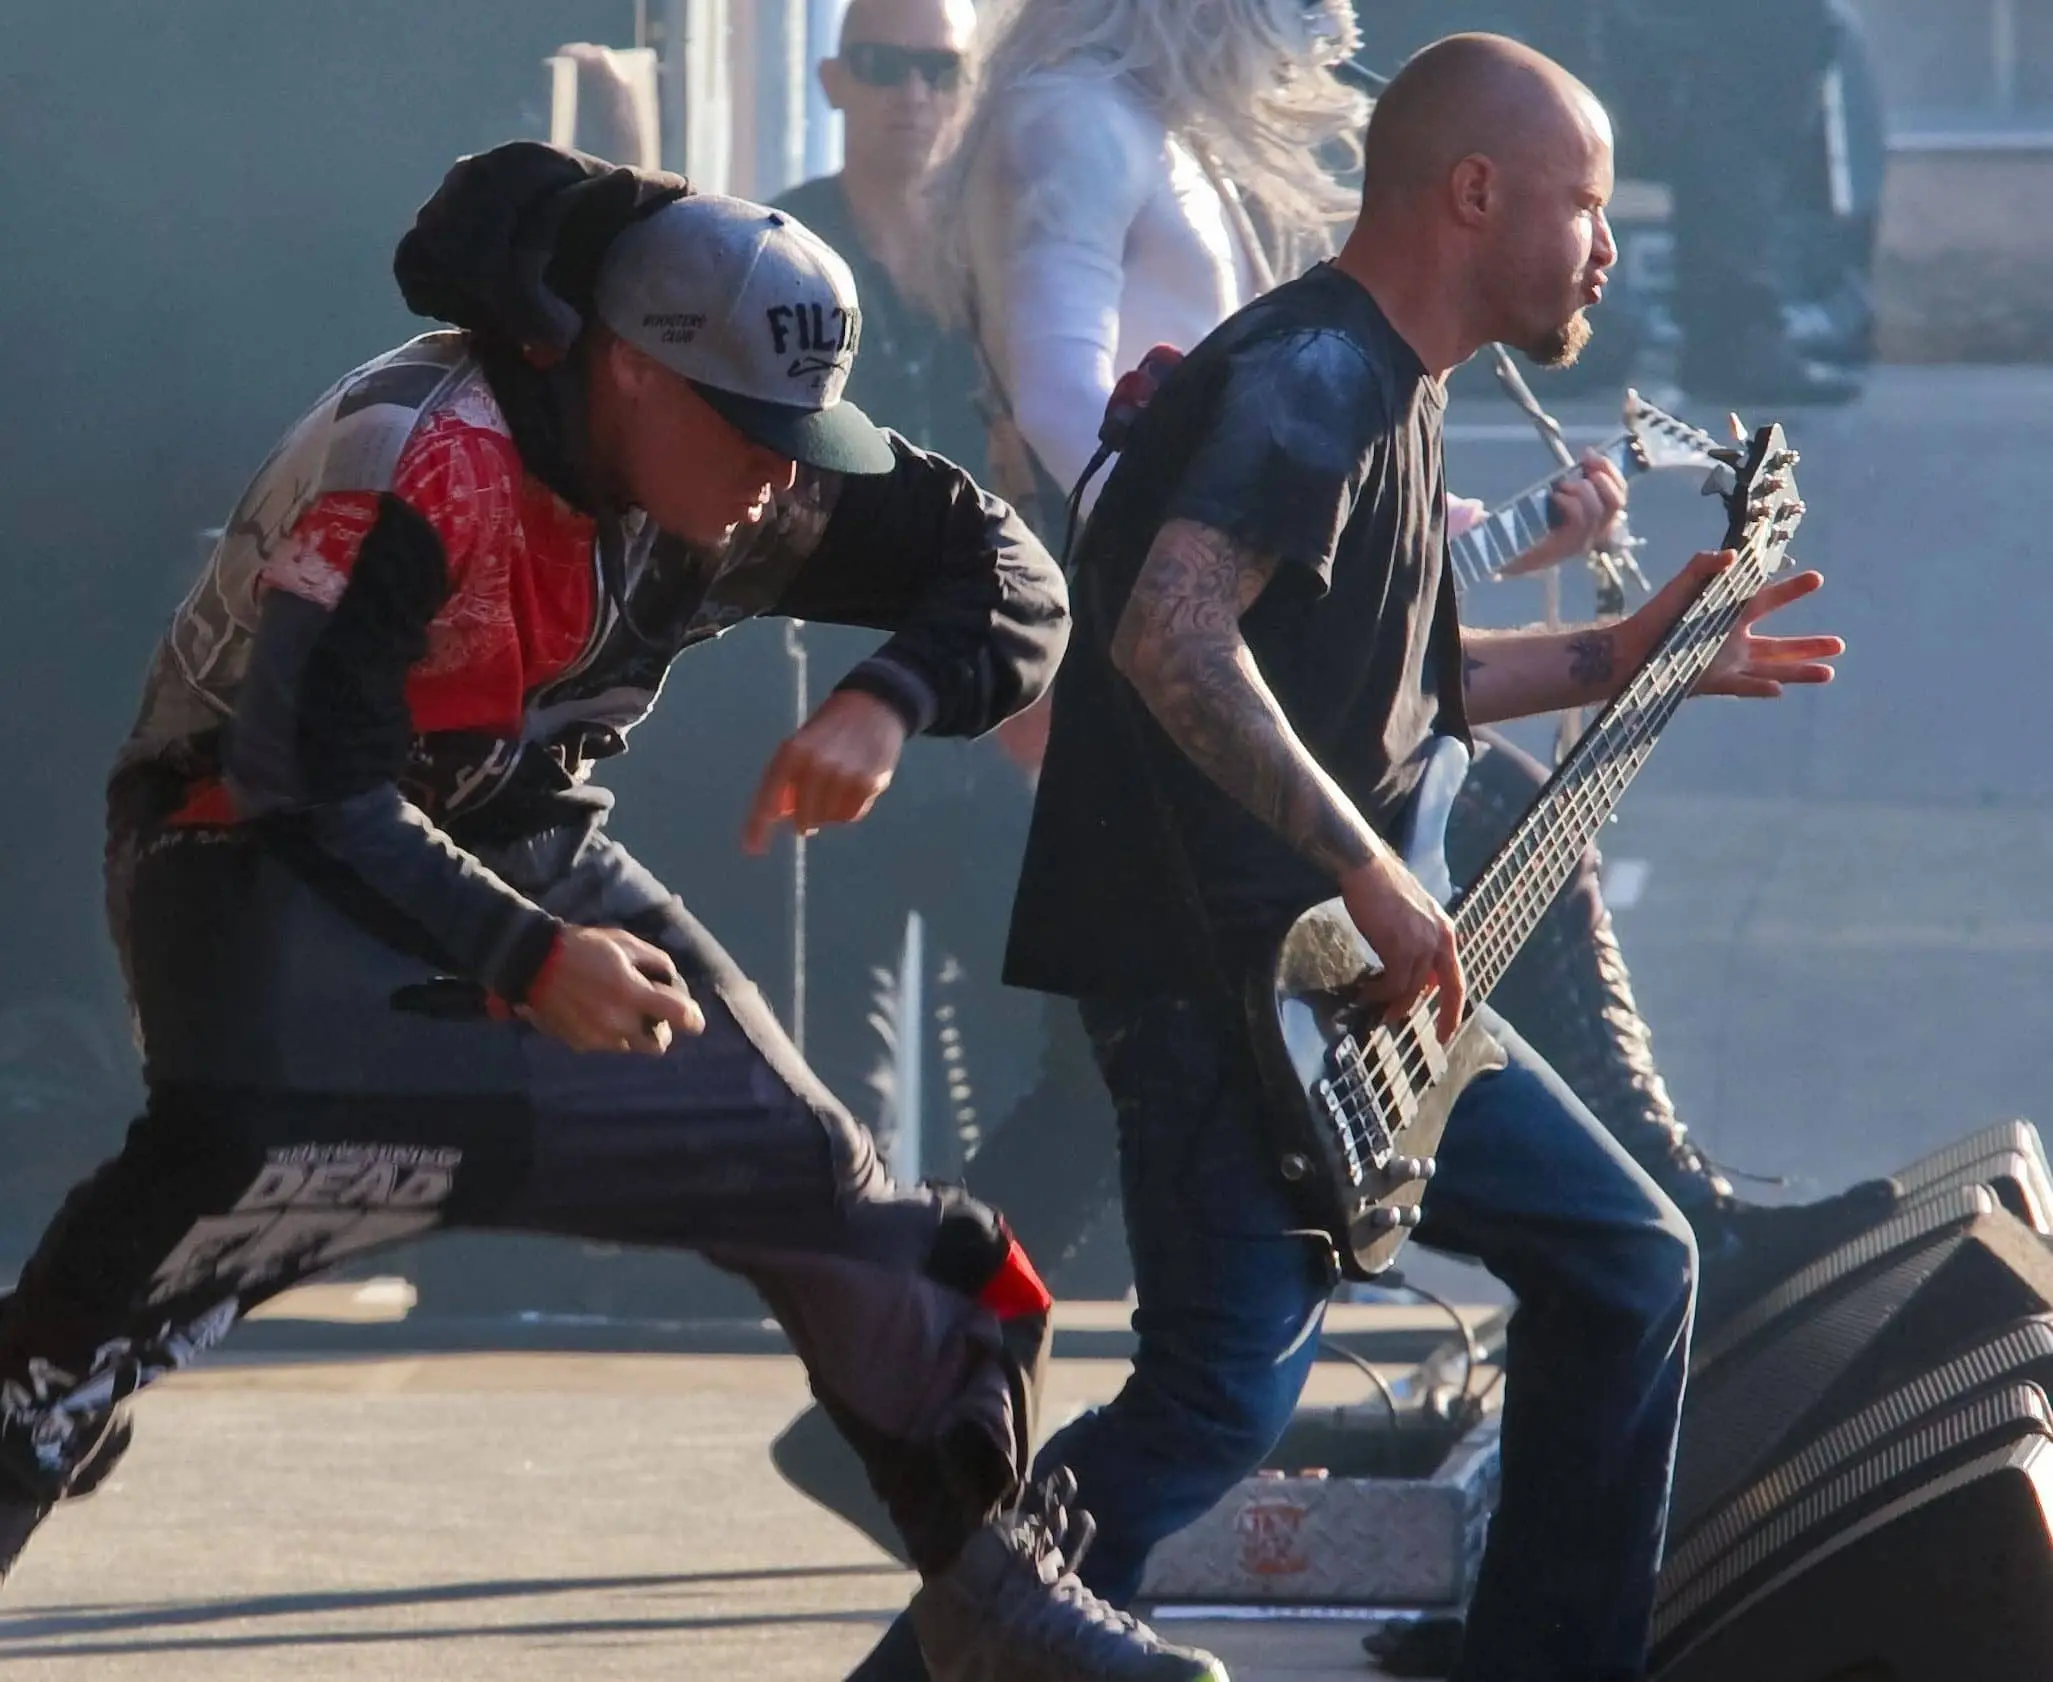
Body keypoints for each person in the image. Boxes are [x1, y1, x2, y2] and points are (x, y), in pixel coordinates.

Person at [0, 140, 1229, 1682]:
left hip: (517, 836)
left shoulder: (748, 481)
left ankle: (988, 1599)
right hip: (244, 855)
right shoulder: (415, 461)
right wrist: (526, 958)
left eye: (804, 438)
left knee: (843, 1206)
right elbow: (306, 781)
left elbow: (1012, 566)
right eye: (755, 433)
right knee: (196, 1195)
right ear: (634, 375)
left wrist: (890, 694)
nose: (785, 476)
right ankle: (56, 1354)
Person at [874, 34, 1849, 1682]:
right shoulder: (1307, 377)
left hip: (1334, 985)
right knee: (1211, 1398)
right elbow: (1167, 635)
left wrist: (1622, 648)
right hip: (1225, 984)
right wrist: (1371, 869)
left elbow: (1408, 686)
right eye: (1586, 205)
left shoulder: (1386, 384)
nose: (1609, 246)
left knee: (1622, 1262)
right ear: (1474, 194)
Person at [773, 0, 988, 476]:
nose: (913, 93)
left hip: (993, 541)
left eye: (941, 68)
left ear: (972, 88)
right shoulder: (783, 246)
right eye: (882, 66)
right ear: (832, 81)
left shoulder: (1007, 250)